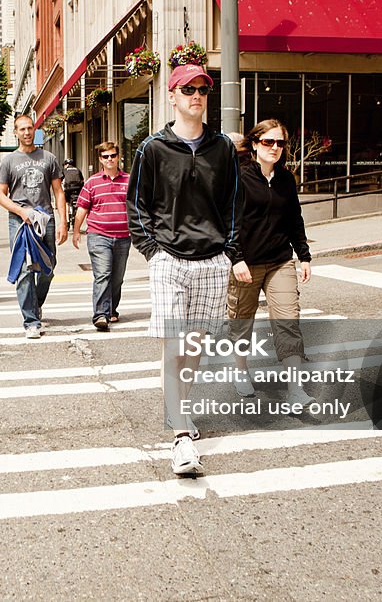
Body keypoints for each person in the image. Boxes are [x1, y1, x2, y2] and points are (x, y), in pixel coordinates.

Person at [126, 63, 241, 476]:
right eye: (187, 89)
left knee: (194, 350)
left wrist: (228, 251)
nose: (196, 95)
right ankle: (181, 437)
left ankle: (180, 412)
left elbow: (233, 203)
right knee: (174, 347)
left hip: (212, 260)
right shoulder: (152, 149)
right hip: (168, 260)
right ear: (171, 96)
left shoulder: (223, 148)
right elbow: (136, 205)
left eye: (203, 90)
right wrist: (152, 251)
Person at [227, 119, 313, 405]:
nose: (274, 147)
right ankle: (240, 370)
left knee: (288, 321)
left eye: (279, 143)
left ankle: (295, 389)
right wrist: (236, 258)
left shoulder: (286, 179)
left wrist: (303, 255)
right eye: (268, 142)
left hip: (279, 261)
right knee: (241, 322)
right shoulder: (239, 177)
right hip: (246, 264)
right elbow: (228, 223)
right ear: (254, 144)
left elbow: (294, 218)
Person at [0, 114, 68, 338]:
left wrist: (63, 222)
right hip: (19, 222)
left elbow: (58, 192)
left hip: (46, 219)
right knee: (24, 270)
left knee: (48, 268)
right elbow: (0, 194)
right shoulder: (8, 161)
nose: (27, 132)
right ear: (16, 132)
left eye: (30, 128)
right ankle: (31, 321)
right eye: (22, 129)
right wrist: (21, 211)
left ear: (34, 130)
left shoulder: (49, 158)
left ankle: (35, 304)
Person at [71, 141, 131, 331]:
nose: (110, 159)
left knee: (117, 278)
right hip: (99, 235)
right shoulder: (92, 182)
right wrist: (76, 231)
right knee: (103, 275)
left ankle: (111, 310)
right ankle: (100, 315)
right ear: (100, 159)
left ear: (118, 157)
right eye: (105, 157)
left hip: (123, 236)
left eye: (113, 155)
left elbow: (138, 207)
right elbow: (82, 209)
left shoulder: (129, 180)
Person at [62, 158, 84, 227]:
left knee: (66, 202)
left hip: (68, 189)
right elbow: (82, 180)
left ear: (67, 164)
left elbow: (60, 179)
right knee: (78, 203)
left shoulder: (64, 170)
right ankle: (76, 215)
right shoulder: (78, 170)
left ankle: (68, 221)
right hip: (78, 189)